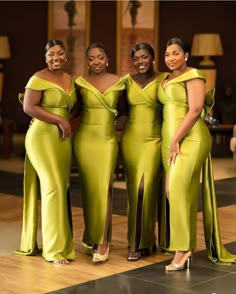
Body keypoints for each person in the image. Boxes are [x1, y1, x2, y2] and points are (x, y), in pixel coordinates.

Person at [157, 37, 236, 271]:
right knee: (183, 192)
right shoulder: (164, 78)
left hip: (189, 138)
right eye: (167, 54)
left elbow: (194, 111)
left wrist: (175, 139)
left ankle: (182, 249)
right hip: (170, 141)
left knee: (176, 189)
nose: (170, 58)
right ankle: (184, 243)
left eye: (176, 53)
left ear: (187, 55)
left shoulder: (194, 75)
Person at [15, 40, 76, 265]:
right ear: (45, 57)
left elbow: (73, 108)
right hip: (41, 137)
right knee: (52, 188)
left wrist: (65, 121)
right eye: (51, 54)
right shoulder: (37, 78)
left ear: (66, 57)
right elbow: (29, 107)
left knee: (62, 188)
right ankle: (53, 251)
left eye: (60, 53)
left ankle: (62, 246)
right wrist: (59, 119)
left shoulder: (69, 79)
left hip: (61, 140)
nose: (55, 58)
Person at [73, 42, 125, 262]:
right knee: (89, 190)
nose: (96, 62)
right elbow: (72, 110)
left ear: (107, 59)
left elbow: (127, 110)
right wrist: (39, 120)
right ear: (87, 61)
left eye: (100, 57)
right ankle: (92, 238)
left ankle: (103, 243)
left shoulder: (120, 81)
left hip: (107, 140)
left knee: (104, 188)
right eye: (91, 58)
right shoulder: (79, 82)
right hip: (84, 140)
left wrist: (116, 124)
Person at [120, 43, 165, 261]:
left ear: (153, 58)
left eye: (144, 57)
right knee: (133, 193)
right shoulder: (126, 81)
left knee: (144, 189)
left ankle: (139, 244)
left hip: (154, 139)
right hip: (130, 140)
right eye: (136, 58)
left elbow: (176, 105)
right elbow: (114, 109)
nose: (140, 62)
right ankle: (142, 239)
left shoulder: (164, 79)